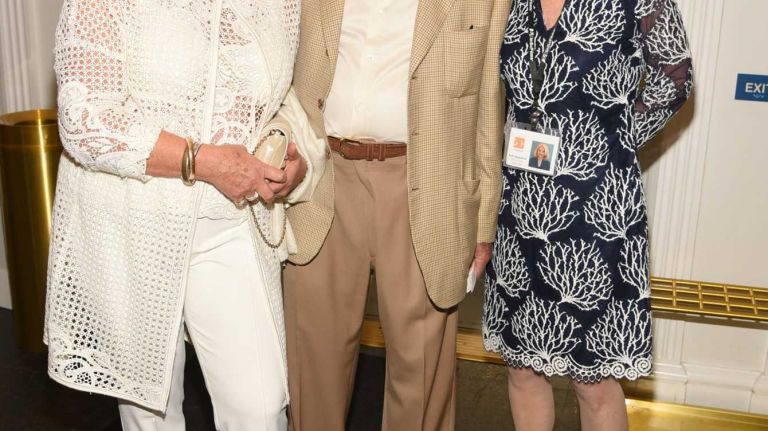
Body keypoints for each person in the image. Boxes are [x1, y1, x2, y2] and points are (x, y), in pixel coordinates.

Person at [43, 1, 317, 430]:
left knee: (260, 409)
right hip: (133, 226)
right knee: (150, 413)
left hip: (232, 221)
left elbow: (279, 97)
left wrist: (285, 145)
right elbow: (85, 121)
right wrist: (205, 162)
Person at [282, 0, 510, 429]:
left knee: (419, 369)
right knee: (314, 359)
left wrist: (483, 221)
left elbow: (487, 105)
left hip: (424, 186)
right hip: (320, 179)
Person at [484, 0, 693, 430]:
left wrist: (611, 143)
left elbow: (674, 76)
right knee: (522, 368)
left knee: (593, 379)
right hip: (522, 208)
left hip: (599, 212)